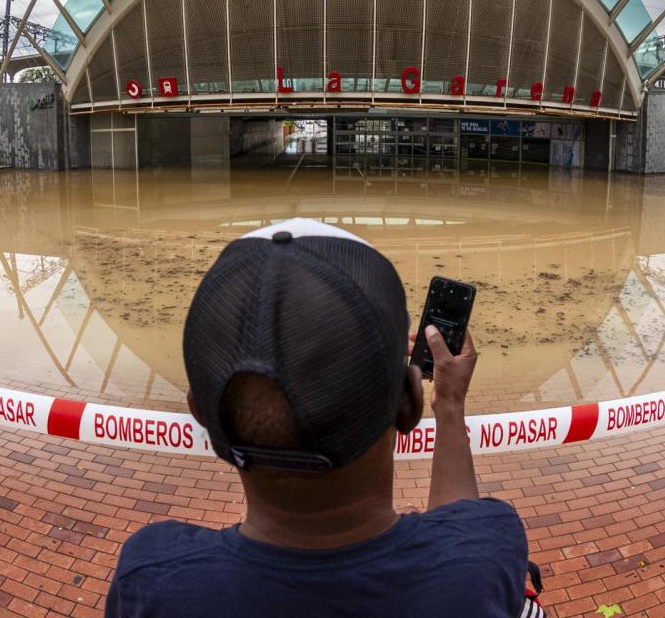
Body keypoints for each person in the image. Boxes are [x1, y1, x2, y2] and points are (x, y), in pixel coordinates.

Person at [105, 218, 534, 617]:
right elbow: (458, 538)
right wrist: (450, 406)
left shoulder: (153, 580)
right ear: (408, 404)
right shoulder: (486, 557)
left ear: (203, 417)